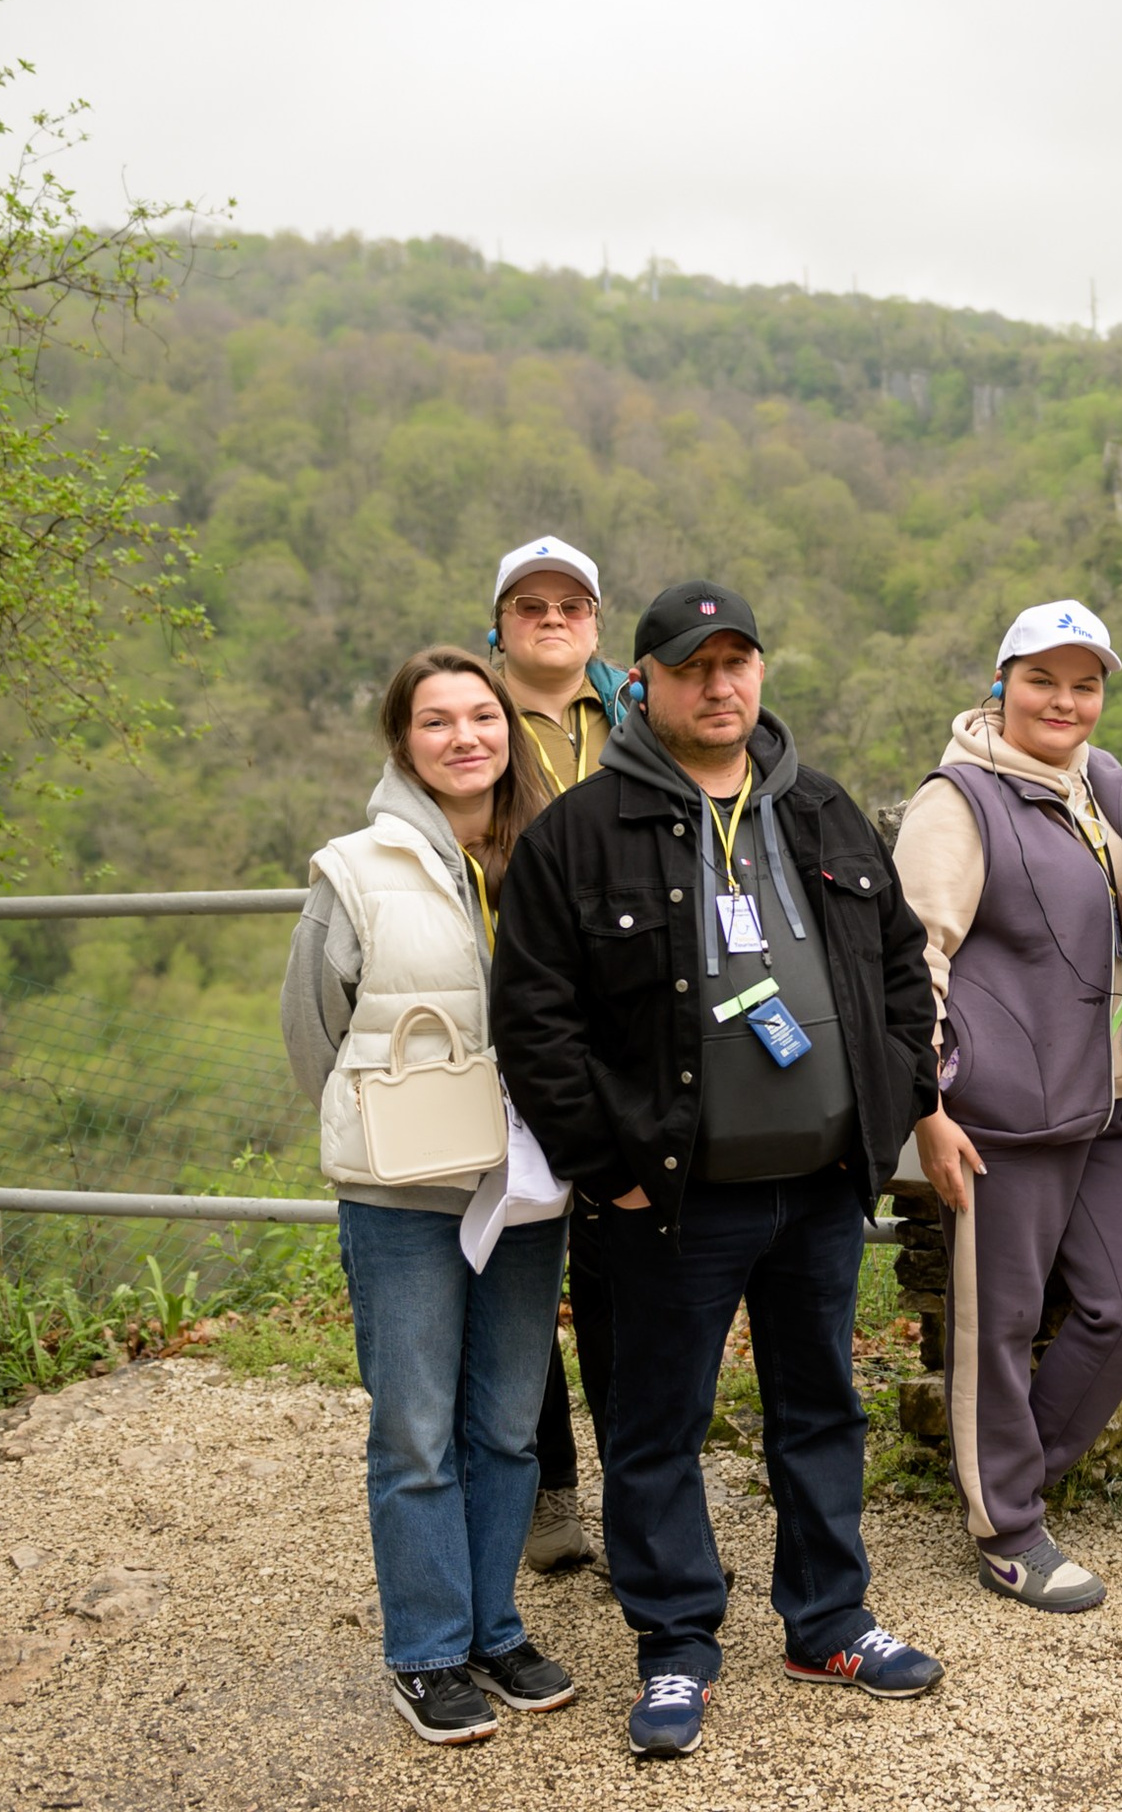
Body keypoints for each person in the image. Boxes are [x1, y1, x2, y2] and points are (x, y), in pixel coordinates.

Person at [491, 582, 947, 1759]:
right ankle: (677, 1646)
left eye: (738, 661)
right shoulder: (577, 834)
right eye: (694, 665)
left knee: (820, 1410)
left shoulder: (826, 812)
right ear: (642, 679)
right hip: (667, 1201)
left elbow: (901, 967)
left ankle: (828, 1620)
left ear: (759, 675)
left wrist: (891, 1100)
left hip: (817, 1186)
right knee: (655, 1425)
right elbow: (535, 1023)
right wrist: (613, 1170)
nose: (720, 684)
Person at [280, 646, 574, 1746]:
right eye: (437, 720)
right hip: (403, 1188)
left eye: (483, 717)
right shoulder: (355, 867)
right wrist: (384, 1131)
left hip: (525, 1183)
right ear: (402, 739)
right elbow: (314, 1025)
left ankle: (495, 1626)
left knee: (504, 1425)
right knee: (414, 1430)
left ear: (509, 730)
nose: (465, 737)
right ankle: (427, 1651)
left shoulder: (548, 855)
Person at [891, 599, 1122, 1614]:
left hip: (1104, 1105)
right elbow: (913, 956)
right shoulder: (957, 801)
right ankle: (1007, 1528)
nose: (1065, 701)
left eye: (1085, 682)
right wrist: (927, 1107)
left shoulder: (1103, 785)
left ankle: (1014, 1475)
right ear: (999, 684)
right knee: (998, 1323)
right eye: (1042, 680)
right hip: (1000, 1114)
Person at [486, 533, 631, 1576]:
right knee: (526, 1269)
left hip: (629, 1028)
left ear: (595, 619)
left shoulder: (633, 713)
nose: (550, 618)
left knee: (626, 1270)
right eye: (528, 604)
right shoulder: (468, 715)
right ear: (498, 619)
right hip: (512, 1022)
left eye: (568, 604)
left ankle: (639, 1481)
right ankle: (548, 1488)